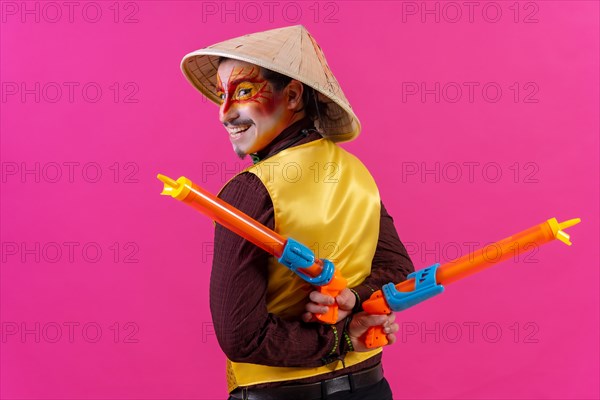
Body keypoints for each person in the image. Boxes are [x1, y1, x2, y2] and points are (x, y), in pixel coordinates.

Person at [180, 25, 415, 400]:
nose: (224, 114)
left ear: (292, 95)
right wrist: (354, 301)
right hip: (372, 387)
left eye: (242, 92)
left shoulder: (250, 190)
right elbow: (399, 271)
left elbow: (241, 338)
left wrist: (340, 336)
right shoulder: (357, 171)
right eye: (222, 95)